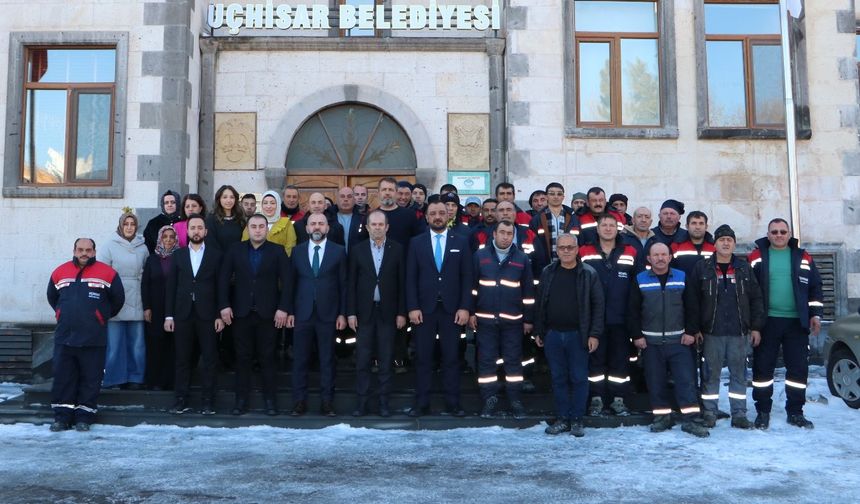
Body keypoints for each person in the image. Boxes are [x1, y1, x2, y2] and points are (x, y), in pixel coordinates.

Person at [687, 224, 765, 430]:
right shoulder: (702, 268)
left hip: (739, 332)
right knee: (710, 375)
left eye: (729, 240)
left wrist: (756, 327)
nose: (725, 243)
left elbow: (756, 299)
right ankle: (709, 413)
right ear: (714, 244)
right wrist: (695, 329)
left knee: (739, 374)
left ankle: (739, 414)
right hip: (711, 332)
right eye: (722, 240)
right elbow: (693, 301)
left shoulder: (744, 268)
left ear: (734, 244)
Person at [748, 218, 824, 430]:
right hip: (767, 322)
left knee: (798, 370)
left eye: (783, 231)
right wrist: (753, 324)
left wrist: (815, 315)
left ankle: (796, 412)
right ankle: (763, 411)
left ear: (789, 234)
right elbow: (749, 292)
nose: (779, 235)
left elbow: (815, 287)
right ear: (768, 234)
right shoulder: (755, 256)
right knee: (762, 369)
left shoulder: (803, 256)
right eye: (774, 232)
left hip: (796, 323)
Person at [628, 242, 709, 438]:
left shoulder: (681, 277)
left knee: (686, 381)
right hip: (651, 343)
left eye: (664, 254)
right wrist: (637, 335)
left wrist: (691, 332)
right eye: (656, 255)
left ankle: (691, 420)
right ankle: (662, 417)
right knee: (655, 382)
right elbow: (632, 310)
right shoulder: (640, 279)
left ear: (670, 257)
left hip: (679, 341)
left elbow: (692, 306)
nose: (660, 258)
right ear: (649, 258)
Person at [47, 238, 125, 432]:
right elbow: (52, 297)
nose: (84, 253)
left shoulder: (108, 273)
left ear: (94, 252)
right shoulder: (60, 272)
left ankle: (84, 417)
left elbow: (118, 300)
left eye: (88, 250)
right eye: (80, 249)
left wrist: (100, 316)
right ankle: (62, 418)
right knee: (63, 378)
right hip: (65, 337)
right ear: (74, 251)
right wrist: (61, 313)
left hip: (94, 337)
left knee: (90, 379)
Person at [219, 214, 292, 417]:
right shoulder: (235, 250)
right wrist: (224, 305)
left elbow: (288, 282)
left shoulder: (277, 251)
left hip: (269, 314)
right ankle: (240, 401)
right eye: (254, 226)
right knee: (242, 358)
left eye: (261, 226)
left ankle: (270, 401)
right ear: (248, 229)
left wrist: (283, 308)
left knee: (268, 358)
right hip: (241, 313)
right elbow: (223, 279)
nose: (258, 230)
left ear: (267, 229)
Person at [406, 200, 473, 417]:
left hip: (452, 310)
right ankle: (421, 403)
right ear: (426, 217)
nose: (437, 216)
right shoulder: (416, 242)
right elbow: (410, 278)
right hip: (423, 310)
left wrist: (465, 307)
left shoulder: (461, 241)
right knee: (423, 358)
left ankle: (453, 403)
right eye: (433, 213)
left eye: (441, 213)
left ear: (448, 216)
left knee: (451, 358)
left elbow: (467, 277)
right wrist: (412, 307)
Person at [533, 233, 604, 437]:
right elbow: (540, 303)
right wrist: (539, 330)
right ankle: (562, 419)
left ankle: (577, 420)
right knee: (558, 378)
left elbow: (598, 306)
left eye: (570, 247)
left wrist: (594, 334)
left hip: (578, 336)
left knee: (579, 378)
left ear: (577, 249)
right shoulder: (548, 272)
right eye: (562, 247)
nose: (566, 251)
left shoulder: (588, 273)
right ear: (556, 250)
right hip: (553, 335)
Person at [469, 220, 535, 420]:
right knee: (487, 362)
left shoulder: (522, 258)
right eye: (502, 232)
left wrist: (528, 319)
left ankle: (515, 400)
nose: (506, 237)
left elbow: (528, 292)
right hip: (485, 321)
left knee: (513, 362)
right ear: (494, 234)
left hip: (513, 322)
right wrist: (471, 312)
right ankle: (489, 399)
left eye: (509, 233)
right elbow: (472, 288)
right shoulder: (480, 256)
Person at [286, 213, 348, 417]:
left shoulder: (338, 251)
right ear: (306, 228)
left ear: (327, 228)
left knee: (327, 360)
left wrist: (342, 313)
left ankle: (327, 402)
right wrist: (290, 311)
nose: (317, 227)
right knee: (300, 360)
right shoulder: (297, 251)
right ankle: (299, 401)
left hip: (328, 314)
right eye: (313, 223)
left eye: (321, 223)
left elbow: (343, 286)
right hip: (302, 314)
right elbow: (290, 285)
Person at [578, 213, 639, 417]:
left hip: (621, 318)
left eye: (612, 225)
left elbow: (637, 285)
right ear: (597, 229)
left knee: (620, 361)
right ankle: (596, 399)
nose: (607, 228)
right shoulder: (584, 251)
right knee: (595, 361)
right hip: (593, 320)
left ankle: (618, 399)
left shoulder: (630, 251)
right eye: (603, 225)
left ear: (618, 228)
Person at [347, 210, 407, 417]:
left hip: (389, 312)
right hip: (364, 312)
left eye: (381, 224)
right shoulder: (357, 250)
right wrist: (351, 312)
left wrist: (402, 313)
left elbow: (402, 283)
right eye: (373, 224)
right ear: (368, 227)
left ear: (387, 227)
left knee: (386, 359)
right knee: (363, 360)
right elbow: (351, 283)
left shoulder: (398, 249)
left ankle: (383, 404)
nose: (377, 228)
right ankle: (362, 403)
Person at [164, 214, 224, 415]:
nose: (196, 231)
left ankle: (208, 401)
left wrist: (219, 314)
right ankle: (180, 399)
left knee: (209, 360)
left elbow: (221, 287)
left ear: (205, 231)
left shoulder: (216, 255)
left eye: (200, 228)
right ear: (187, 231)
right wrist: (169, 316)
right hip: (183, 315)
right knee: (182, 359)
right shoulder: (178, 255)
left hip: (208, 315)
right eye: (193, 228)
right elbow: (171, 287)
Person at [100, 211, 149, 391]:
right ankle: (114, 378)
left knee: (137, 343)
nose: (129, 227)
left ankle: (136, 377)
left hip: (138, 296)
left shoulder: (143, 247)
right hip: (116, 297)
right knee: (115, 343)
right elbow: (103, 274)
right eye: (126, 224)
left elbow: (147, 272)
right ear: (120, 226)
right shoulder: (109, 246)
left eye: (132, 224)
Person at [141, 225, 178, 391]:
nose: (168, 240)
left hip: (175, 308)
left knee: (172, 345)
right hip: (155, 308)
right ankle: (154, 381)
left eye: (171, 237)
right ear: (160, 239)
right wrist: (146, 307)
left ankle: (169, 381)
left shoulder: (180, 257)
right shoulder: (152, 259)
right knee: (155, 344)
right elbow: (145, 284)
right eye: (165, 236)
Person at [529, 182, 580, 267]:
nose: (556, 197)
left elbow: (579, 241)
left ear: (563, 197)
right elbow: (533, 244)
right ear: (546, 197)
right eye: (552, 194)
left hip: (570, 265)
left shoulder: (573, 217)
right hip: (545, 265)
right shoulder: (537, 219)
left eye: (559, 194)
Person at [244, 190, 297, 255]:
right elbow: (244, 244)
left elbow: (290, 246)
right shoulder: (253, 221)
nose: (268, 206)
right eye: (265, 203)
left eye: (272, 203)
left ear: (278, 205)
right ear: (261, 205)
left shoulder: (286, 223)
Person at [670, 211, 715, 275]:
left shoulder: (714, 247)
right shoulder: (676, 246)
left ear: (706, 226)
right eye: (694, 223)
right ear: (687, 226)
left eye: (701, 223)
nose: (697, 227)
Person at [206, 185, 246, 252]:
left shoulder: (240, 219)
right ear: (219, 199)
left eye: (232, 197)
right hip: (217, 257)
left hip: (237, 257)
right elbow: (211, 244)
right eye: (225, 197)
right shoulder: (211, 220)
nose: (228, 200)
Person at [336, 186, 367, 253]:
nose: (346, 199)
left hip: (357, 257)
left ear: (354, 200)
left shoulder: (363, 219)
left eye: (349, 196)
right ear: (337, 199)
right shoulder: (329, 218)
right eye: (342, 196)